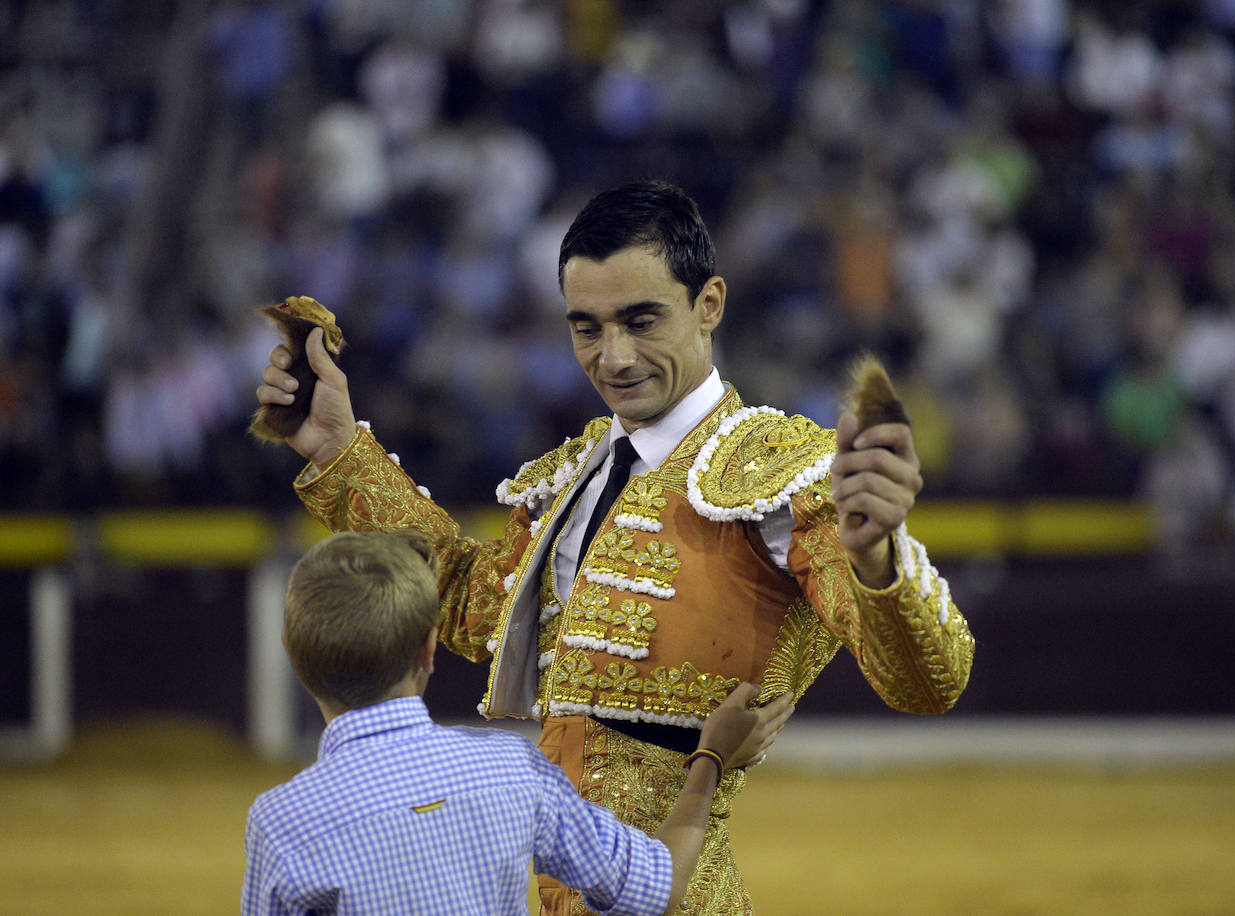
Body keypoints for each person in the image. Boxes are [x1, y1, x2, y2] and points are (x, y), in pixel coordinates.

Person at [255, 179, 975, 914]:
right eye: (586, 327)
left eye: (640, 320)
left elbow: (928, 682)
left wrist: (878, 563)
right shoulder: (577, 471)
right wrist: (342, 451)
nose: (613, 357)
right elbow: (474, 609)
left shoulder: (781, 471)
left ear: (710, 305)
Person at [242, 529, 794, 916]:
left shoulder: (283, 822)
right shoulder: (509, 769)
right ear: (429, 650)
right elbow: (660, 886)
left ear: (292, 653)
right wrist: (711, 760)